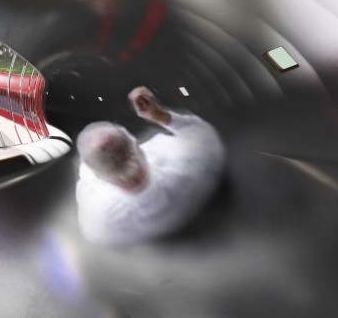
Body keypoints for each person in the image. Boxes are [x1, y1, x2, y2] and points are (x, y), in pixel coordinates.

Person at [74, 86, 226, 246]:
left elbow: (87, 177)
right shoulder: (188, 159)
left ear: (99, 176)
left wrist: (96, 161)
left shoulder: (98, 218)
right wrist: (158, 114)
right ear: (137, 145)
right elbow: (202, 134)